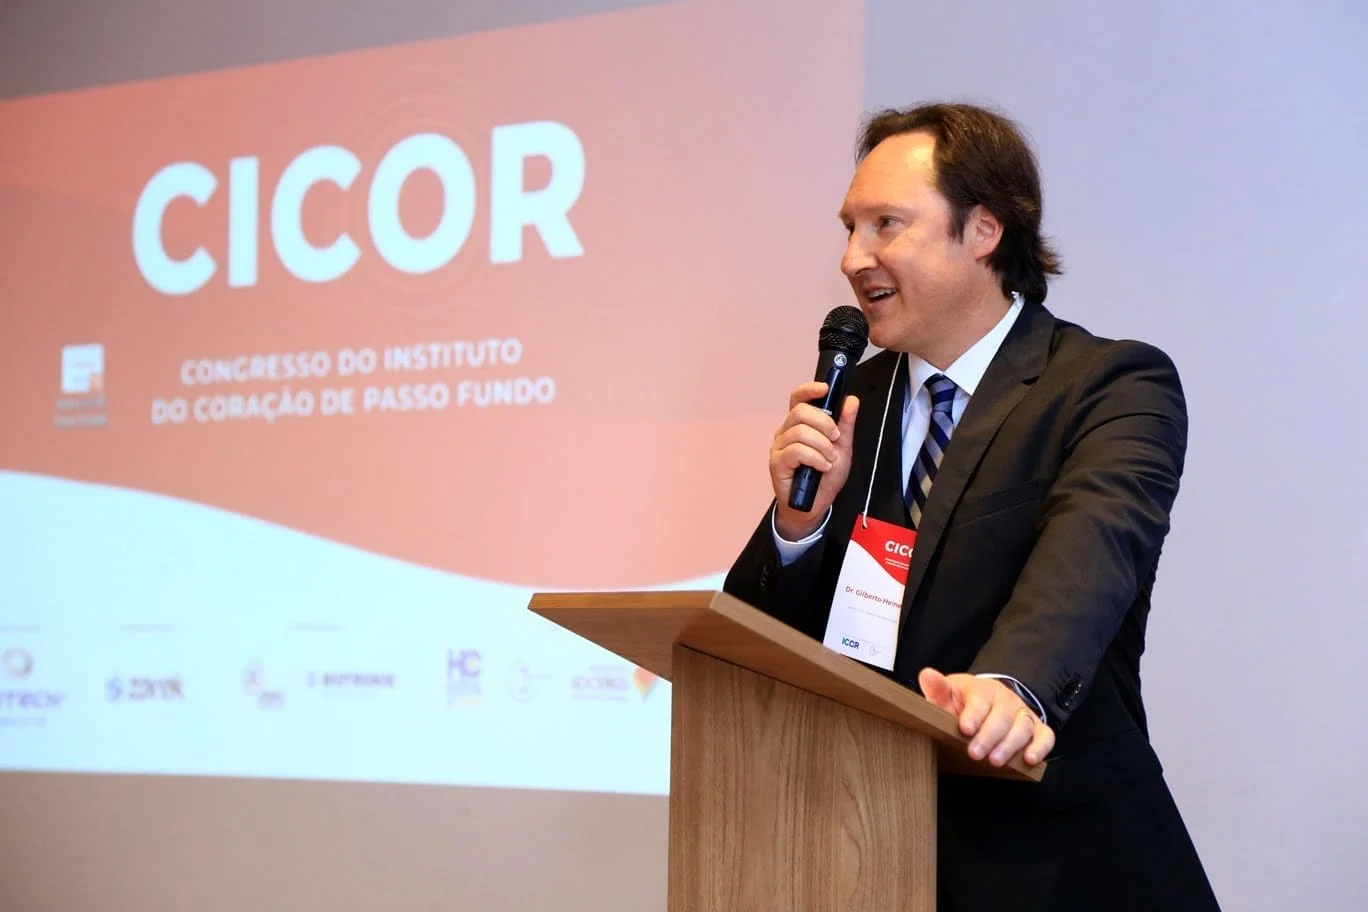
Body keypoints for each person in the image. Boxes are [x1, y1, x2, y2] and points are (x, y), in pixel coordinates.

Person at [722, 102, 1221, 911]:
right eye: (849, 228)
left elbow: (1091, 559)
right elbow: (762, 642)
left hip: (1060, 863)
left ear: (984, 230)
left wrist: (1010, 687)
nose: (853, 257)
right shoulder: (855, 397)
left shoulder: (1108, 386)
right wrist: (798, 527)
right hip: (868, 852)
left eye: (887, 224)